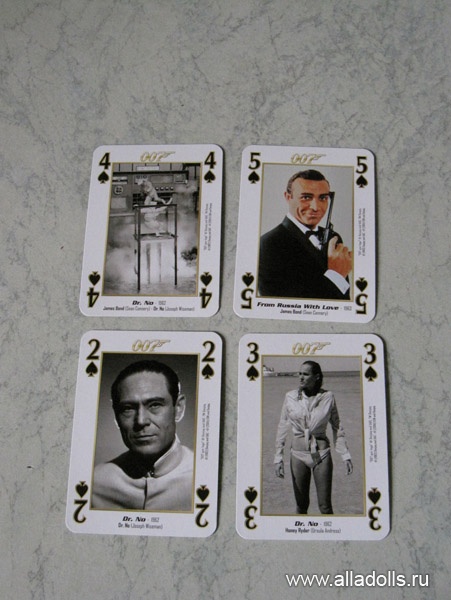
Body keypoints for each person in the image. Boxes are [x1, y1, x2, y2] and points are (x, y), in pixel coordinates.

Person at [92, 360, 193, 511]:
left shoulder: (204, 477)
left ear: (178, 408)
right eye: (127, 408)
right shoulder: (94, 483)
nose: (140, 421)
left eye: (155, 405)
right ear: (116, 416)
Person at [258, 169, 352, 299]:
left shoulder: (333, 239)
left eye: (323, 198)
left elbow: (344, 299)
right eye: (306, 197)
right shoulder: (268, 244)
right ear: (288, 197)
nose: (315, 207)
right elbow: (279, 305)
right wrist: (336, 275)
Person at [274, 361, 353, 514]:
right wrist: (278, 458)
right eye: (300, 373)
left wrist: (345, 455)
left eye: (305, 374)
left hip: (321, 455)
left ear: (317, 377)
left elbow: (337, 426)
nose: (301, 377)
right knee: (301, 506)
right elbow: (282, 427)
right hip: (298, 455)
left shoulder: (328, 397)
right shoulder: (290, 397)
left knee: (325, 506)